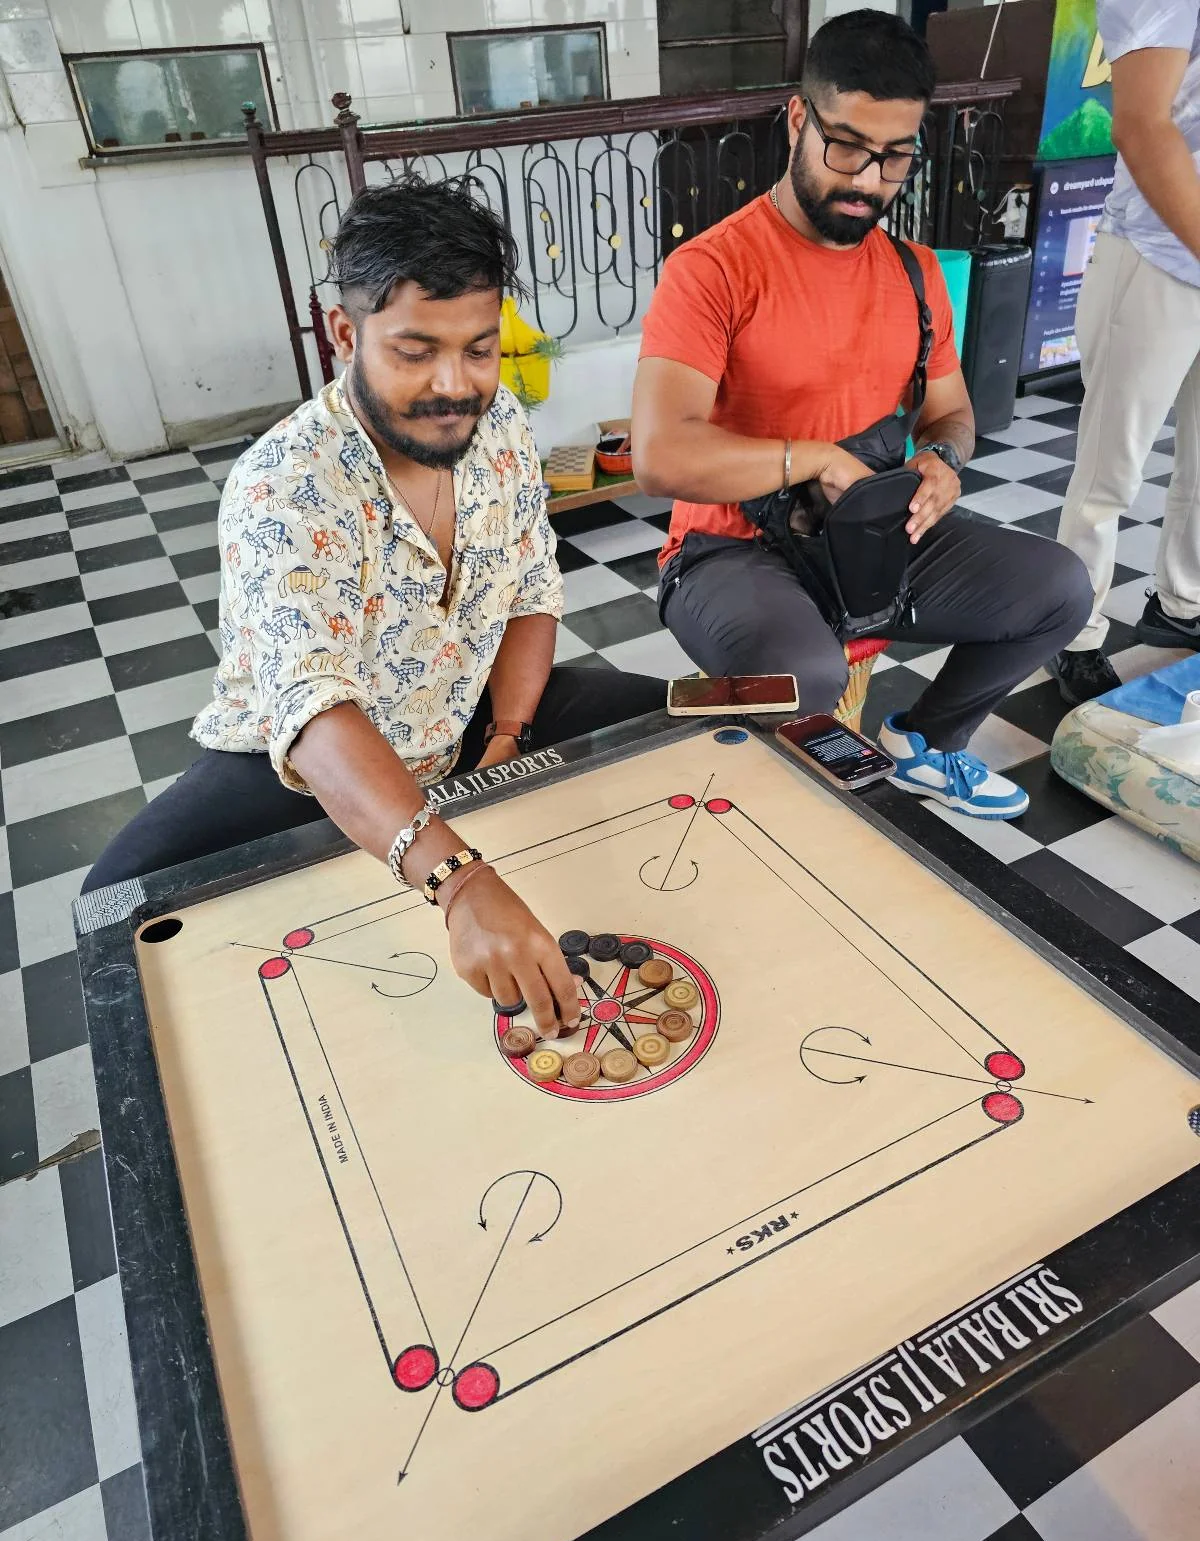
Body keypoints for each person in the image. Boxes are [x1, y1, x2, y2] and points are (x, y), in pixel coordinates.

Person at [83, 177, 663, 1036]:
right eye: (415, 350)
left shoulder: (497, 424)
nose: (453, 386)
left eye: (477, 349)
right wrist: (458, 879)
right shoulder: (283, 487)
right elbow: (315, 712)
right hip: (300, 771)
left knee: (667, 721)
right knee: (117, 907)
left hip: (461, 719)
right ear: (344, 333)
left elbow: (532, 588)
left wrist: (504, 745)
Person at [632, 10, 1092, 820]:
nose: (868, 180)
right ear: (798, 118)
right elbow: (659, 455)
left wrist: (942, 464)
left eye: (895, 156)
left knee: (1059, 587)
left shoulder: (913, 273)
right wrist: (811, 457)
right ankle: (763, 817)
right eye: (847, 146)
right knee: (802, 678)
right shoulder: (711, 269)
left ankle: (930, 741)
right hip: (728, 550)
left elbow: (951, 411)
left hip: (870, 536)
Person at [1049, 0, 1200, 706]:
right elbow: (1141, 123)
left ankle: (1183, 604)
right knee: (1113, 467)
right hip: (1156, 251)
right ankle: (1071, 633)